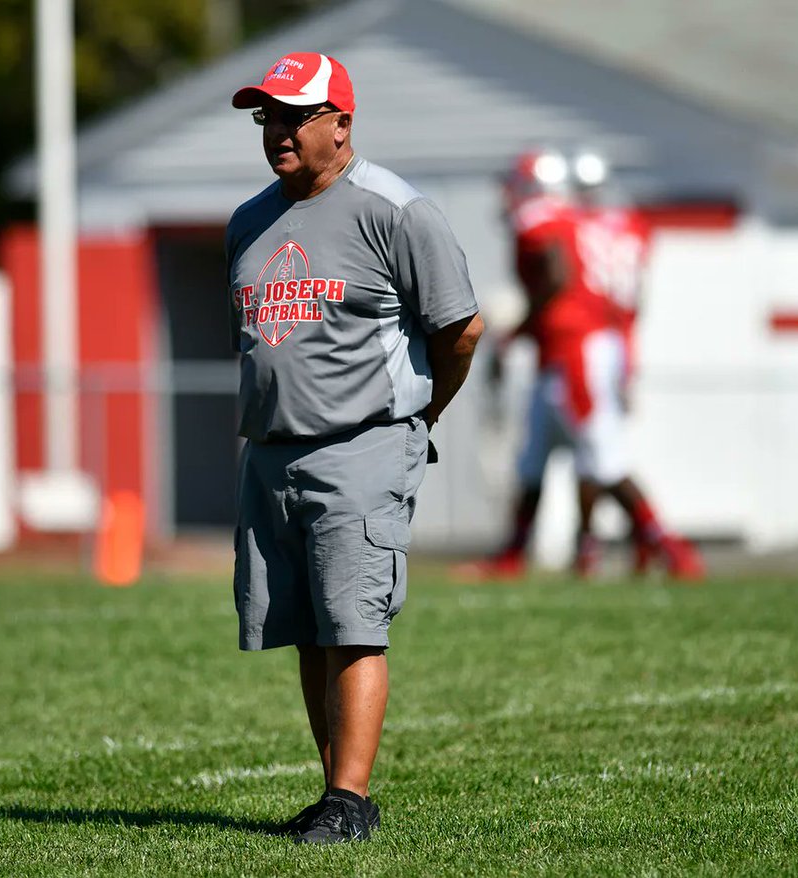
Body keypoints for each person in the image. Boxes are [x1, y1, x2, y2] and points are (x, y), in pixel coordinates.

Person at [226, 52, 484, 844]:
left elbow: (461, 328)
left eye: (296, 115)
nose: (279, 130)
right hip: (272, 452)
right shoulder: (248, 219)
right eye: (267, 115)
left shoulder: (395, 211)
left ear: (341, 122)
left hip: (362, 442)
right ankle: (332, 794)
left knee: (353, 622)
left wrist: (416, 418)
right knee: (304, 624)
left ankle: (352, 798)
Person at [457, 150, 702, 580]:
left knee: (603, 458)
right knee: (534, 460)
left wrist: (520, 328)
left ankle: (667, 545)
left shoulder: (541, 219)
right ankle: (515, 553)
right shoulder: (593, 221)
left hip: (576, 349)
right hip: (575, 348)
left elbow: (557, 274)